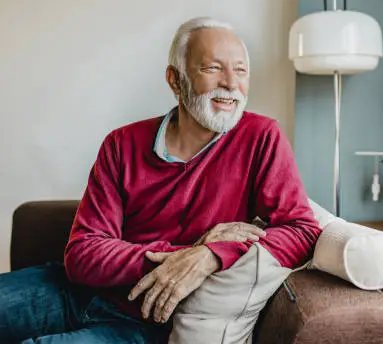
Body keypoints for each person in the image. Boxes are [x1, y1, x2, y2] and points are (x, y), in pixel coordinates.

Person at [0, 17, 321, 343]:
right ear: (175, 80)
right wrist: (191, 250)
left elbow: (303, 231)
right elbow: (83, 255)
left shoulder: (261, 137)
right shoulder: (121, 143)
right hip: (70, 291)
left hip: (146, 322)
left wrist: (211, 256)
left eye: (240, 70)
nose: (230, 83)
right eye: (212, 68)